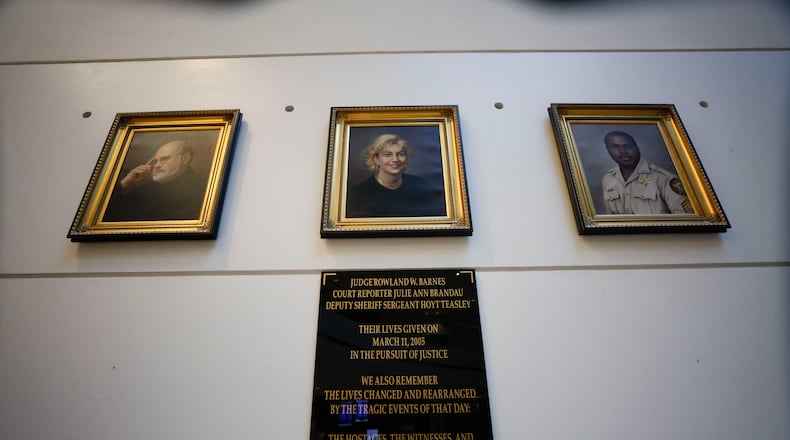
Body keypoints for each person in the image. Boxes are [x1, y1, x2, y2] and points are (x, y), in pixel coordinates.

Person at [103, 140, 207, 221]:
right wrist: (125, 183)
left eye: (164, 159)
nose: (157, 166)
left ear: (185, 159)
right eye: (156, 161)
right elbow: (108, 215)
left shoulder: (203, 188)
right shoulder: (146, 188)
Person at [346, 134, 446, 218]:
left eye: (400, 154)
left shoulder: (421, 185)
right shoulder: (360, 193)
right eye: (387, 154)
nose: (395, 160)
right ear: (376, 159)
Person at [601, 130, 692, 215]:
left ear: (637, 149)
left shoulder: (664, 178)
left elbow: (685, 219)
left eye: (628, 146)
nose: (623, 151)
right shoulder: (608, 179)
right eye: (616, 147)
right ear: (608, 151)